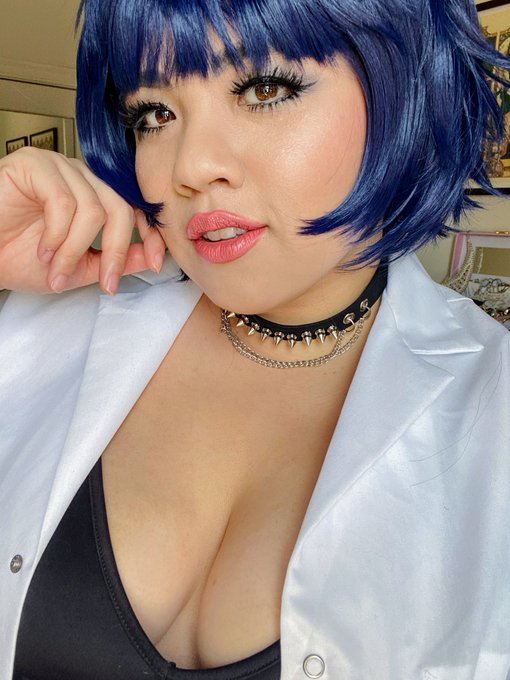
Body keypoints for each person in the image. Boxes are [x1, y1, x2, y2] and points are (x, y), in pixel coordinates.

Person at [1, 0, 510, 678]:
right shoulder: (50, 320)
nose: (192, 166)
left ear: (405, 88)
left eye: (266, 89)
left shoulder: (495, 413)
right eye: (154, 114)